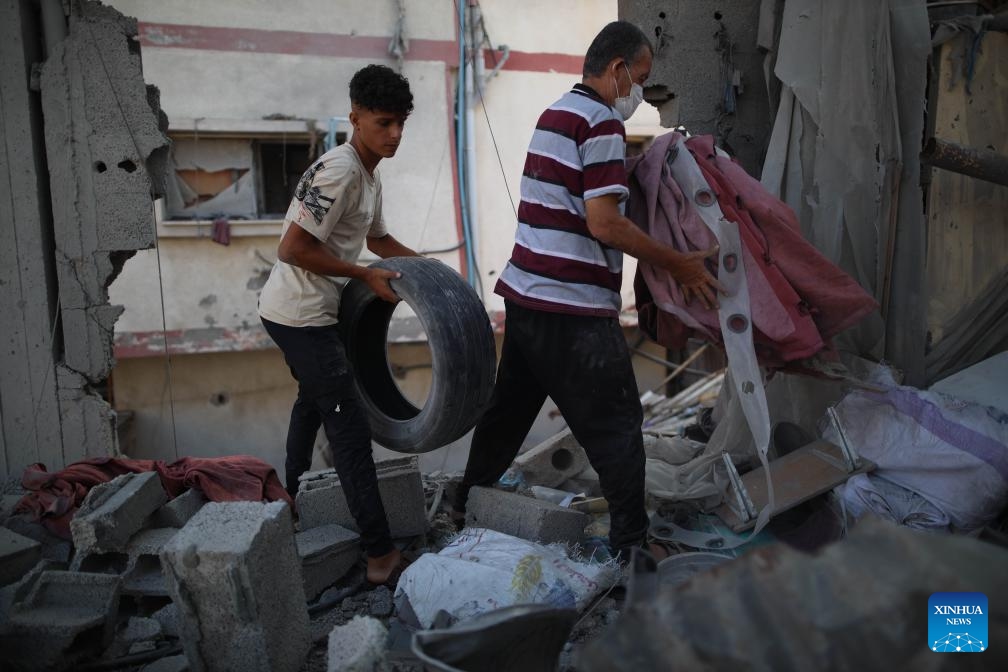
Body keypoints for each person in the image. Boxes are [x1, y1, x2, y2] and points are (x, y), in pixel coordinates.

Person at [452, 21, 724, 561]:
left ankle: (463, 509)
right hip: (572, 308)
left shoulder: (556, 114)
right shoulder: (601, 122)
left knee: (507, 415)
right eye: (641, 79)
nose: (640, 93)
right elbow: (604, 224)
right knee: (619, 426)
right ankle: (631, 548)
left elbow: (574, 191)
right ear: (619, 70)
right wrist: (680, 265)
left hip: (526, 297)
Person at [258, 64, 418, 584]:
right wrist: (362, 275)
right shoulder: (342, 170)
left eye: (401, 123)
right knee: (348, 427)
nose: (394, 134)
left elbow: (378, 240)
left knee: (311, 399)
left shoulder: (368, 172)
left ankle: (292, 498)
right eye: (383, 123)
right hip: (299, 315)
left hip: (312, 311)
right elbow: (292, 248)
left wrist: (432, 276)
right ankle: (379, 556)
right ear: (355, 118)